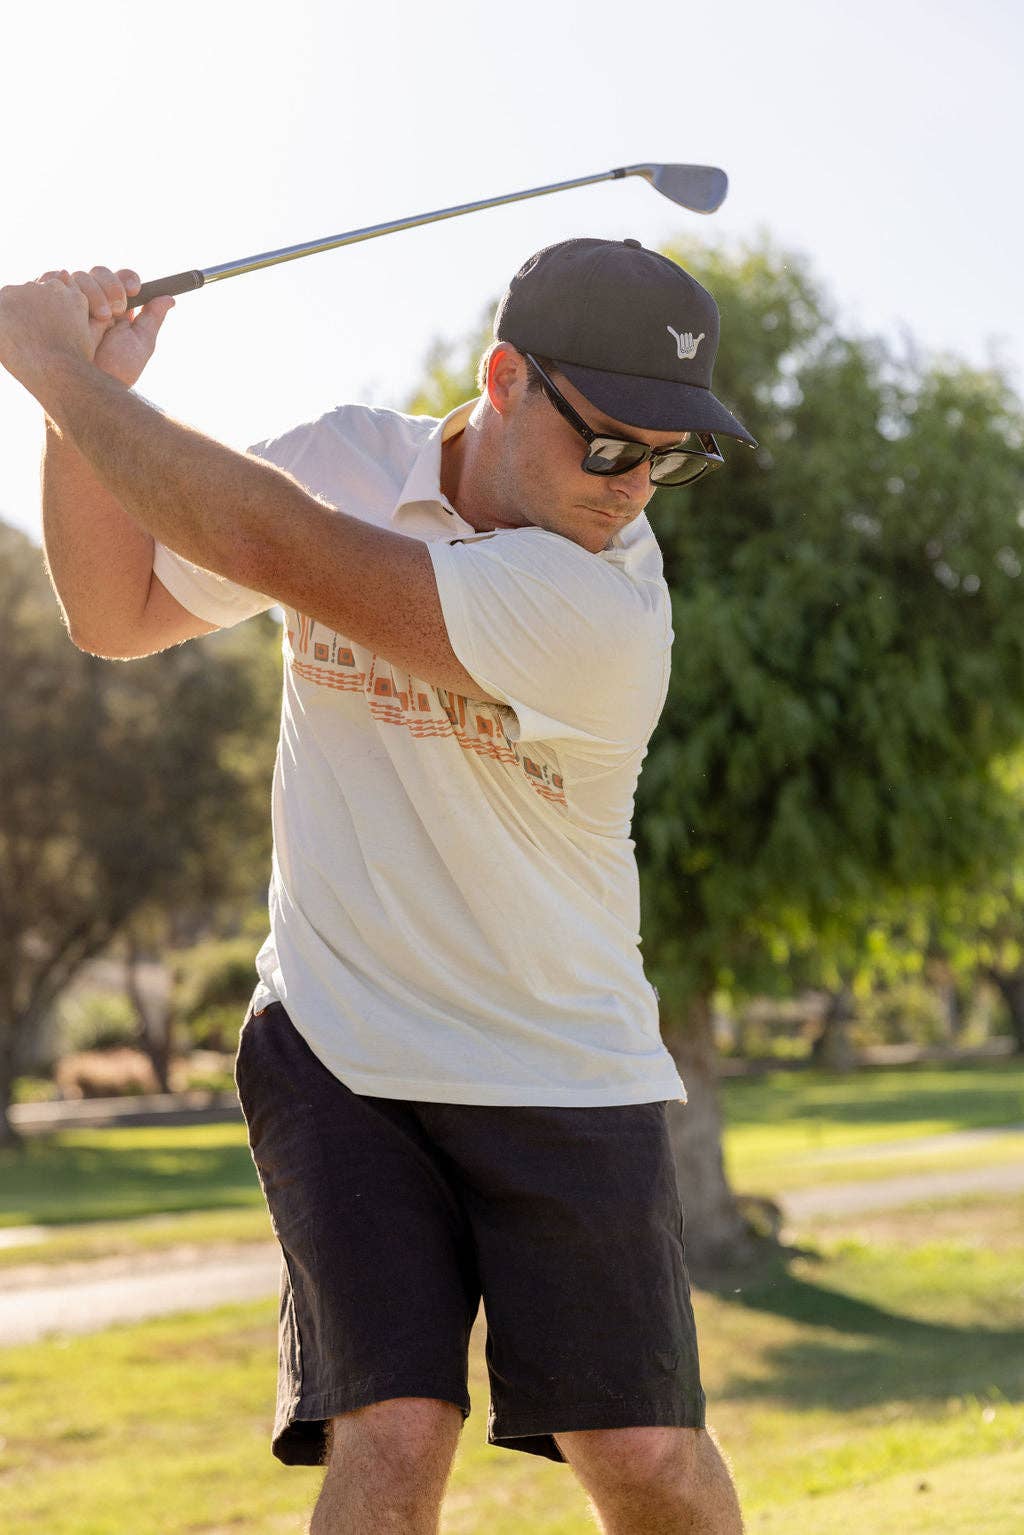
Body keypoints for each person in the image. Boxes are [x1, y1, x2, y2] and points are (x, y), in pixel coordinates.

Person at [0, 235, 755, 1534]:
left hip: (556, 1059)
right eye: (612, 447)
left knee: (639, 1452)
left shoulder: (603, 610)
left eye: (669, 457)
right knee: (394, 1433)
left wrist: (60, 373)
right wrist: (85, 406)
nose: (635, 489)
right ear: (506, 378)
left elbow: (280, 547)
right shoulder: (341, 458)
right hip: (337, 1042)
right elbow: (113, 612)